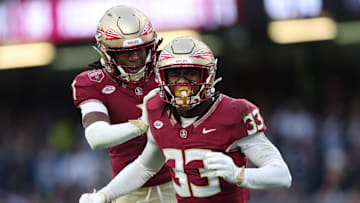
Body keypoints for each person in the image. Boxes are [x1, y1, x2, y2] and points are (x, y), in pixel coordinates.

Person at [79, 37, 292, 203]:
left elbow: (282, 175)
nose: (182, 83)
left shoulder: (235, 112)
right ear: (162, 78)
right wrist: (105, 195)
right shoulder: (156, 110)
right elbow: (146, 167)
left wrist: (239, 174)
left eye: (190, 74)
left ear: (207, 75)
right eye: (174, 75)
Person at [71, 5, 176, 203]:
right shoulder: (92, 82)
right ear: (107, 53)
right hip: (129, 188)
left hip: (182, 181)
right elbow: (96, 137)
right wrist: (142, 124)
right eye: (125, 52)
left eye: (140, 49)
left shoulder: (169, 68)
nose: (135, 57)